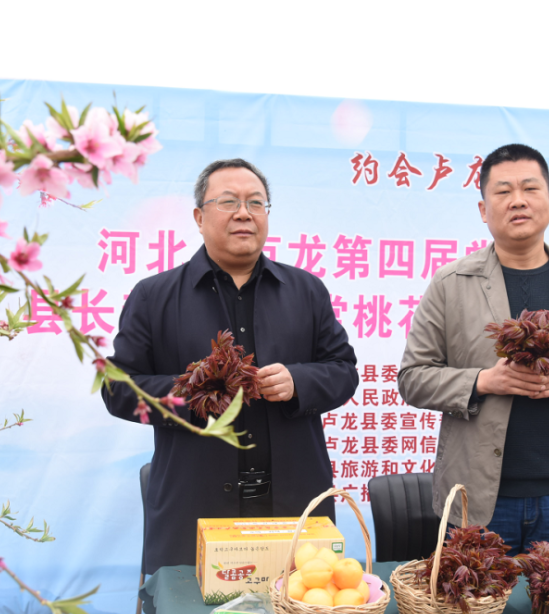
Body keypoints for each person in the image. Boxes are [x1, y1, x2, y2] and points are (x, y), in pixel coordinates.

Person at [102, 158, 358, 574]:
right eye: (228, 202)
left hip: (294, 503)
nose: (244, 212)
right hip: (195, 504)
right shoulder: (153, 296)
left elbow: (344, 371)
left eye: (257, 203)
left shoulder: (306, 290)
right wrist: (198, 391)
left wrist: (299, 380)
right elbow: (118, 389)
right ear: (199, 217)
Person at [398, 143, 549, 554]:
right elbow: (413, 378)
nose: (518, 201)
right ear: (482, 208)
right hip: (476, 499)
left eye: (529, 188)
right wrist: (484, 381)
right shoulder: (450, 284)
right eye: (503, 191)